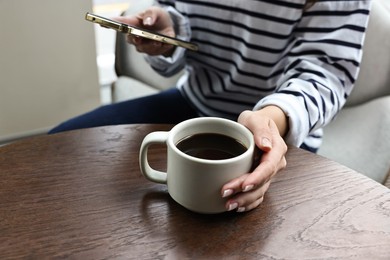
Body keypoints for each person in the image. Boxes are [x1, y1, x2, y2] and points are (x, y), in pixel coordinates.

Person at [49, 0, 372, 212]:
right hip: (193, 102)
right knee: (56, 147)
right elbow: (177, 10)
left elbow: (327, 70)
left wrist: (272, 121)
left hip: (278, 132)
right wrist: (168, 27)